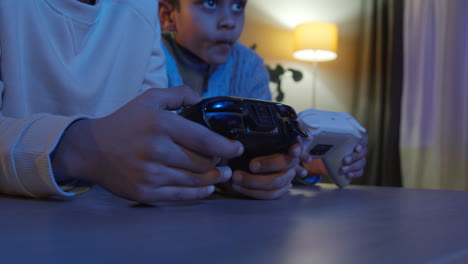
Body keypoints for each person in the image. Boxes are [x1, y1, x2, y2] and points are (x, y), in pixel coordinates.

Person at [0, 0, 244, 203]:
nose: (228, 22)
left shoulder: (142, 8)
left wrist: (230, 169)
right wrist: (80, 149)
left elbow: (154, 144)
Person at [158, 0, 368, 196]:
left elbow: (264, 149)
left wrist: (303, 163)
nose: (229, 22)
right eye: (210, 3)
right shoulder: (150, 60)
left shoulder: (250, 65)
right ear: (167, 15)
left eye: (238, 5)